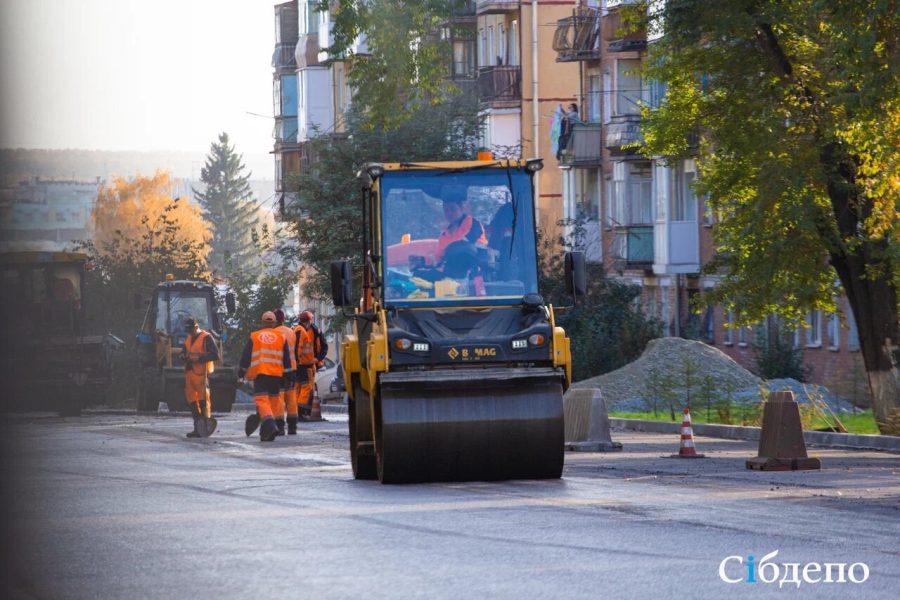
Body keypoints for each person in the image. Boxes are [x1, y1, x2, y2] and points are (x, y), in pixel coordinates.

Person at [238, 311, 291, 442]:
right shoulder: (281, 337)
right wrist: (289, 376)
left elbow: (246, 356)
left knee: (262, 402)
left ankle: (270, 426)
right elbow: (287, 359)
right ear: (274, 323)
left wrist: (241, 371)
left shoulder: (255, 336)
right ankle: (265, 433)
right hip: (276, 375)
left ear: (262, 323)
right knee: (272, 403)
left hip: (261, 374)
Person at [181, 317, 219, 438]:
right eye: (187, 330)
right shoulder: (188, 338)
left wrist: (199, 358)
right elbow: (184, 351)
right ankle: (198, 427)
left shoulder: (206, 337)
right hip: (189, 373)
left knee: (204, 401)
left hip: (202, 374)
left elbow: (215, 355)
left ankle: (205, 425)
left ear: (196, 327)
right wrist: (183, 356)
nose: (189, 332)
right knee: (192, 402)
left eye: (191, 329)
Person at [273, 309, 297, 435]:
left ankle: (280, 427)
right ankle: (293, 426)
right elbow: (295, 352)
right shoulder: (291, 332)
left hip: (278, 370)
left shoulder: (274, 333)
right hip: (292, 369)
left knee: (279, 398)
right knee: (291, 398)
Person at [293, 310, 319, 420]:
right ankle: (301, 412)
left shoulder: (298, 330)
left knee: (297, 388)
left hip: (300, 365)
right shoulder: (301, 331)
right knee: (306, 388)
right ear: (308, 321)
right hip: (303, 365)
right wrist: (297, 362)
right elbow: (297, 348)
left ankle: (295, 412)